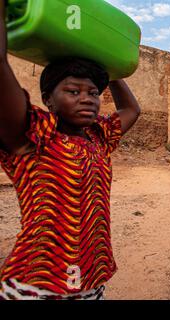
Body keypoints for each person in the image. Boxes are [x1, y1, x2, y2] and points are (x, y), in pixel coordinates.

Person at [0, 1, 141, 299]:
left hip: (90, 282)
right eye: (73, 91)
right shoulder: (32, 138)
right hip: (35, 286)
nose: (87, 99)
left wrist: (111, 62)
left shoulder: (98, 137)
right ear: (48, 100)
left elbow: (131, 109)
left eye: (93, 93)